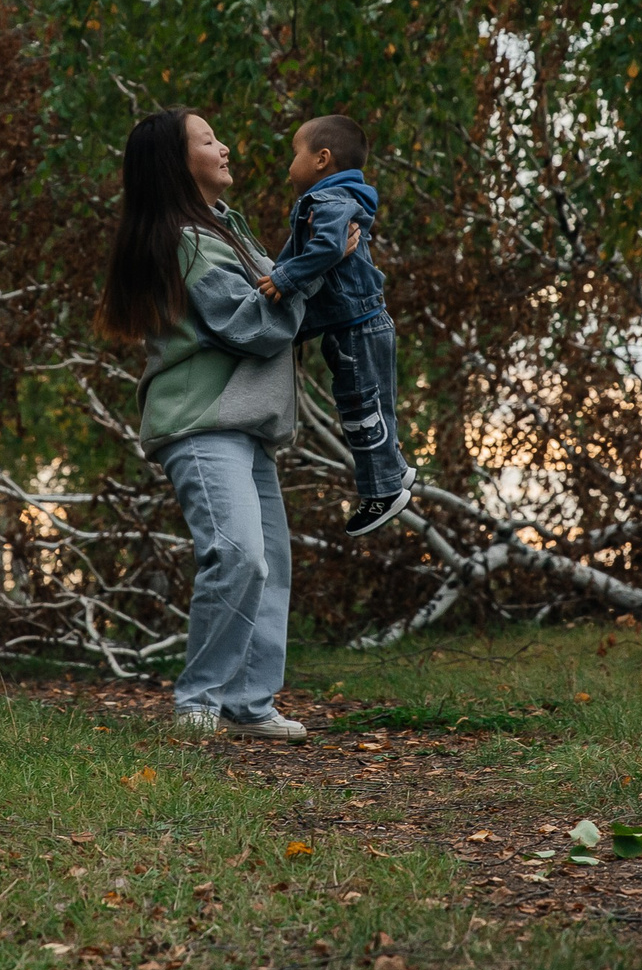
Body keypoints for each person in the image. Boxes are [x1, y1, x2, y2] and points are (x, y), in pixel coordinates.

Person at [98, 107, 353, 742]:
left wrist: (325, 263)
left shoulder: (224, 229)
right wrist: (312, 271)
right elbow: (253, 325)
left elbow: (282, 301)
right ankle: (199, 703)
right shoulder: (186, 242)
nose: (226, 145)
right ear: (175, 164)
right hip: (202, 422)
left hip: (244, 424)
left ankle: (247, 704)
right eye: (208, 140)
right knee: (238, 556)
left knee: (269, 564)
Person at [253, 114, 412, 536]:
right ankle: (393, 470)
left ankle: (382, 491)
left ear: (321, 159)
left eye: (294, 155)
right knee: (374, 404)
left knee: (360, 408)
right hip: (361, 322)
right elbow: (308, 251)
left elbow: (326, 247)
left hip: (356, 326)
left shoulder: (328, 202)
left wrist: (284, 281)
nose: (289, 166)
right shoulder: (335, 199)